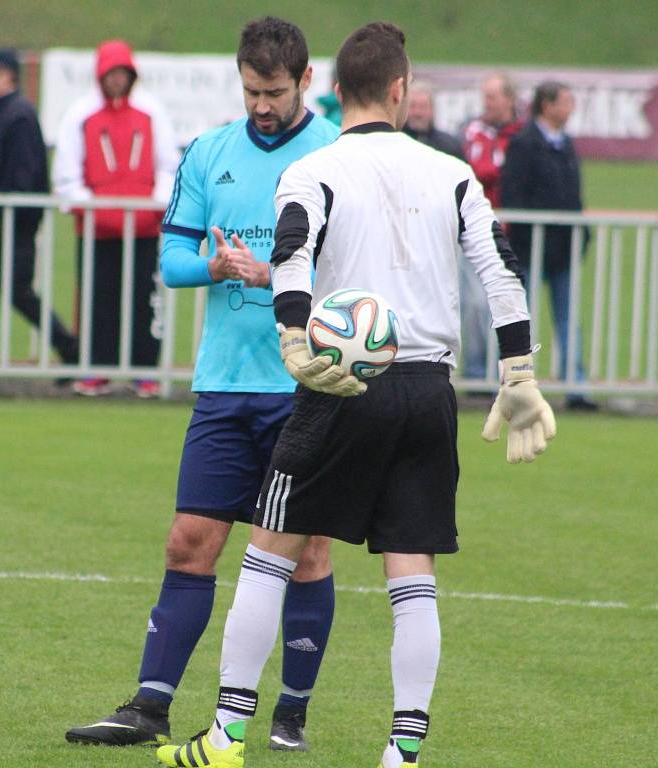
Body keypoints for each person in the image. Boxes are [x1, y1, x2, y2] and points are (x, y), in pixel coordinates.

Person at [156, 21, 556, 768]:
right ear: (401, 90)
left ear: (335, 92)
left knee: (268, 555)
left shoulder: (315, 168)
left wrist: (294, 342)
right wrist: (519, 375)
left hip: (340, 382)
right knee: (412, 573)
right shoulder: (451, 172)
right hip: (428, 386)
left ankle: (225, 737)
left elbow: (291, 253)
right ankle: (403, 750)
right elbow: (499, 271)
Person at [65, 17, 340, 751]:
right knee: (189, 542)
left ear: (305, 83)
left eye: (274, 92)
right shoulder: (208, 152)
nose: (261, 104)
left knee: (304, 553)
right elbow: (172, 259)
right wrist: (215, 268)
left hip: (303, 389)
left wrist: (284, 278)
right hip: (223, 388)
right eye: (251, 90)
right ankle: (148, 707)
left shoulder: (335, 155)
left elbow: (353, 276)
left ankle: (290, 716)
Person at [53, 40, 178, 398]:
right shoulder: (81, 114)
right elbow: (66, 175)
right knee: (97, 300)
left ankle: (145, 372)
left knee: (145, 299)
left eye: (122, 73)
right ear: (100, 75)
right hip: (96, 230)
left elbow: (168, 166)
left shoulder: (151, 111)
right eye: (111, 73)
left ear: (131, 74)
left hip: (143, 227)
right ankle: (96, 369)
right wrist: (94, 207)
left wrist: (153, 204)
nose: (117, 80)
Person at [0, 49, 79, 371]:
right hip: (8, 218)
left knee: (16, 291)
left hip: (15, 221)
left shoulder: (16, 115)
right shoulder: (4, 112)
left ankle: (69, 348)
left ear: (8, 76)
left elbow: (20, 173)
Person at [502, 80, 597, 411]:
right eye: (566, 101)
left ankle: (577, 386)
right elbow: (512, 196)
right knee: (519, 320)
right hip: (529, 248)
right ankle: (515, 384)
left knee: (568, 317)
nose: (571, 108)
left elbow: (574, 194)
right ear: (548, 105)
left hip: (564, 249)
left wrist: (581, 235)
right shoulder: (524, 143)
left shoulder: (565, 143)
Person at [460, 73, 525, 382]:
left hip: (519, 234)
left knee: (514, 302)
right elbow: (480, 169)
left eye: (492, 97)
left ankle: (510, 370)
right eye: (484, 96)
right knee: (475, 303)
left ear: (509, 98)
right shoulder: (473, 130)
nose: (486, 103)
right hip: (480, 231)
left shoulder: (524, 133)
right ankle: (477, 373)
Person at [402, 82, 464, 160]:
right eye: (412, 106)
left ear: (432, 110)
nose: (417, 112)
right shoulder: (395, 143)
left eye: (423, 107)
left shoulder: (449, 146)